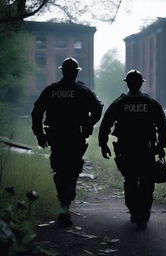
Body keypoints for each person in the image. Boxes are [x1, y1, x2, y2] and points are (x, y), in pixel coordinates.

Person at [31, 57, 103, 227]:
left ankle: (63, 204)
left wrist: (40, 134)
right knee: (72, 170)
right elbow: (98, 109)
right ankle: (65, 203)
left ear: (62, 71)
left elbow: (37, 112)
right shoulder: (82, 90)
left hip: (56, 137)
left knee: (59, 170)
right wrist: (88, 124)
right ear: (76, 72)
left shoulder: (51, 90)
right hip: (74, 137)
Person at [98, 69, 166, 230]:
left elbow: (105, 124)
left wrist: (104, 144)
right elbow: (163, 126)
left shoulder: (120, 103)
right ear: (141, 84)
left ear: (128, 83)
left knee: (130, 180)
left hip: (126, 149)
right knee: (147, 181)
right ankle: (143, 214)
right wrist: (161, 145)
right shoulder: (150, 103)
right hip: (146, 149)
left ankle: (134, 211)